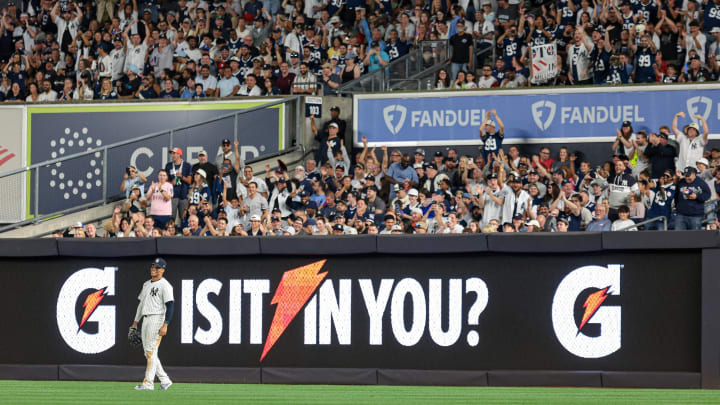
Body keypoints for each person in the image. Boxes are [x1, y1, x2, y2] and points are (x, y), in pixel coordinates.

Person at [131, 257, 174, 391]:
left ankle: (148, 383)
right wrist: (135, 322)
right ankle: (165, 380)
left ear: (163, 270)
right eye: (152, 267)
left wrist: (166, 324)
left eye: (157, 267)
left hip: (157, 318)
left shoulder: (165, 285)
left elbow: (170, 306)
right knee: (149, 352)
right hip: (146, 318)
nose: (153, 269)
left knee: (150, 351)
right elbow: (141, 304)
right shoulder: (146, 284)